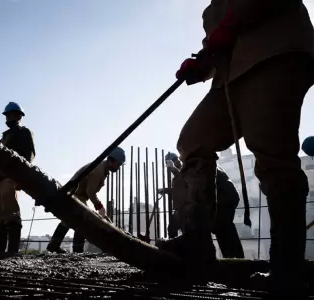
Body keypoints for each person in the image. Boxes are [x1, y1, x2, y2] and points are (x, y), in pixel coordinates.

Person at [159, 0, 314, 291]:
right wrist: (201, 64)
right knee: (193, 140)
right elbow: (218, 47)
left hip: (274, 55)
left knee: (272, 153)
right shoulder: (211, 10)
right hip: (230, 79)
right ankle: (197, 243)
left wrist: (235, 19)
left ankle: (287, 268)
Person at [158, 152, 244, 258]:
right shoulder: (194, 165)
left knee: (221, 229)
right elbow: (187, 186)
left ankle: (236, 264)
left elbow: (189, 184)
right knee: (222, 231)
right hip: (224, 199)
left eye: (176, 162)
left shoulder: (192, 166)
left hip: (222, 201)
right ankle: (235, 263)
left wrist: (174, 172)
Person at [46, 147, 126, 254]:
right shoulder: (99, 170)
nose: (118, 167)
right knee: (83, 221)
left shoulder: (103, 169)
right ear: (112, 160)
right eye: (118, 164)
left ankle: (55, 245)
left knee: (69, 220)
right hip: (76, 195)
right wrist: (100, 208)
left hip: (76, 195)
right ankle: (77, 250)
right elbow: (90, 192)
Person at [0, 102, 36, 256]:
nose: (8, 118)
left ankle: (12, 250)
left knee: (11, 214)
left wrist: (21, 176)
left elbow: (29, 155)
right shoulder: (4, 136)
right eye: (7, 115)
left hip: (11, 176)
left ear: (18, 116)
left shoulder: (24, 132)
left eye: (11, 115)